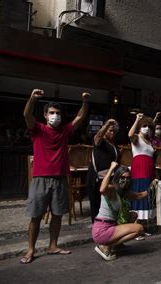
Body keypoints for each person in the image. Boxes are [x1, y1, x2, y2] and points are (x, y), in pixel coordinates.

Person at [21, 89, 90, 264]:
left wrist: (85, 102)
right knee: (35, 216)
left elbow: (79, 118)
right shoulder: (38, 129)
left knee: (57, 214)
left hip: (60, 178)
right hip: (40, 179)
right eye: (51, 113)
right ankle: (31, 249)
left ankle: (53, 245)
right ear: (45, 115)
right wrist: (32, 99)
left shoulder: (65, 131)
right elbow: (27, 114)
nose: (55, 116)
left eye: (58, 113)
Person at [92, 162, 148, 261]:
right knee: (139, 229)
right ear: (117, 178)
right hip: (102, 230)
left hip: (111, 226)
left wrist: (153, 188)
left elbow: (139, 196)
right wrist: (111, 168)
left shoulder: (122, 192)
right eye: (122, 177)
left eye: (127, 178)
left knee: (132, 215)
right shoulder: (111, 190)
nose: (125, 180)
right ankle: (106, 246)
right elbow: (101, 189)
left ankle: (118, 245)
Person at [87, 119, 120, 223]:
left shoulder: (114, 145)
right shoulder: (100, 142)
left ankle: (106, 226)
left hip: (109, 178)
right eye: (110, 130)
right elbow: (98, 137)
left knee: (106, 204)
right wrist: (107, 124)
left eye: (114, 131)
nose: (112, 133)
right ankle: (96, 228)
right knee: (96, 205)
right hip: (96, 178)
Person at [128, 113, 155, 238]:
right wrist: (137, 119)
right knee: (138, 199)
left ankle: (141, 229)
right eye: (144, 126)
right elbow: (129, 135)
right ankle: (135, 230)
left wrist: (153, 120)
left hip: (149, 172)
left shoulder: (149, 141)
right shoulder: (136, 138)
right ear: (139, 127)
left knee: (146, 199)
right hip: (139, 172)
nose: (147, 128)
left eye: (149, 126)